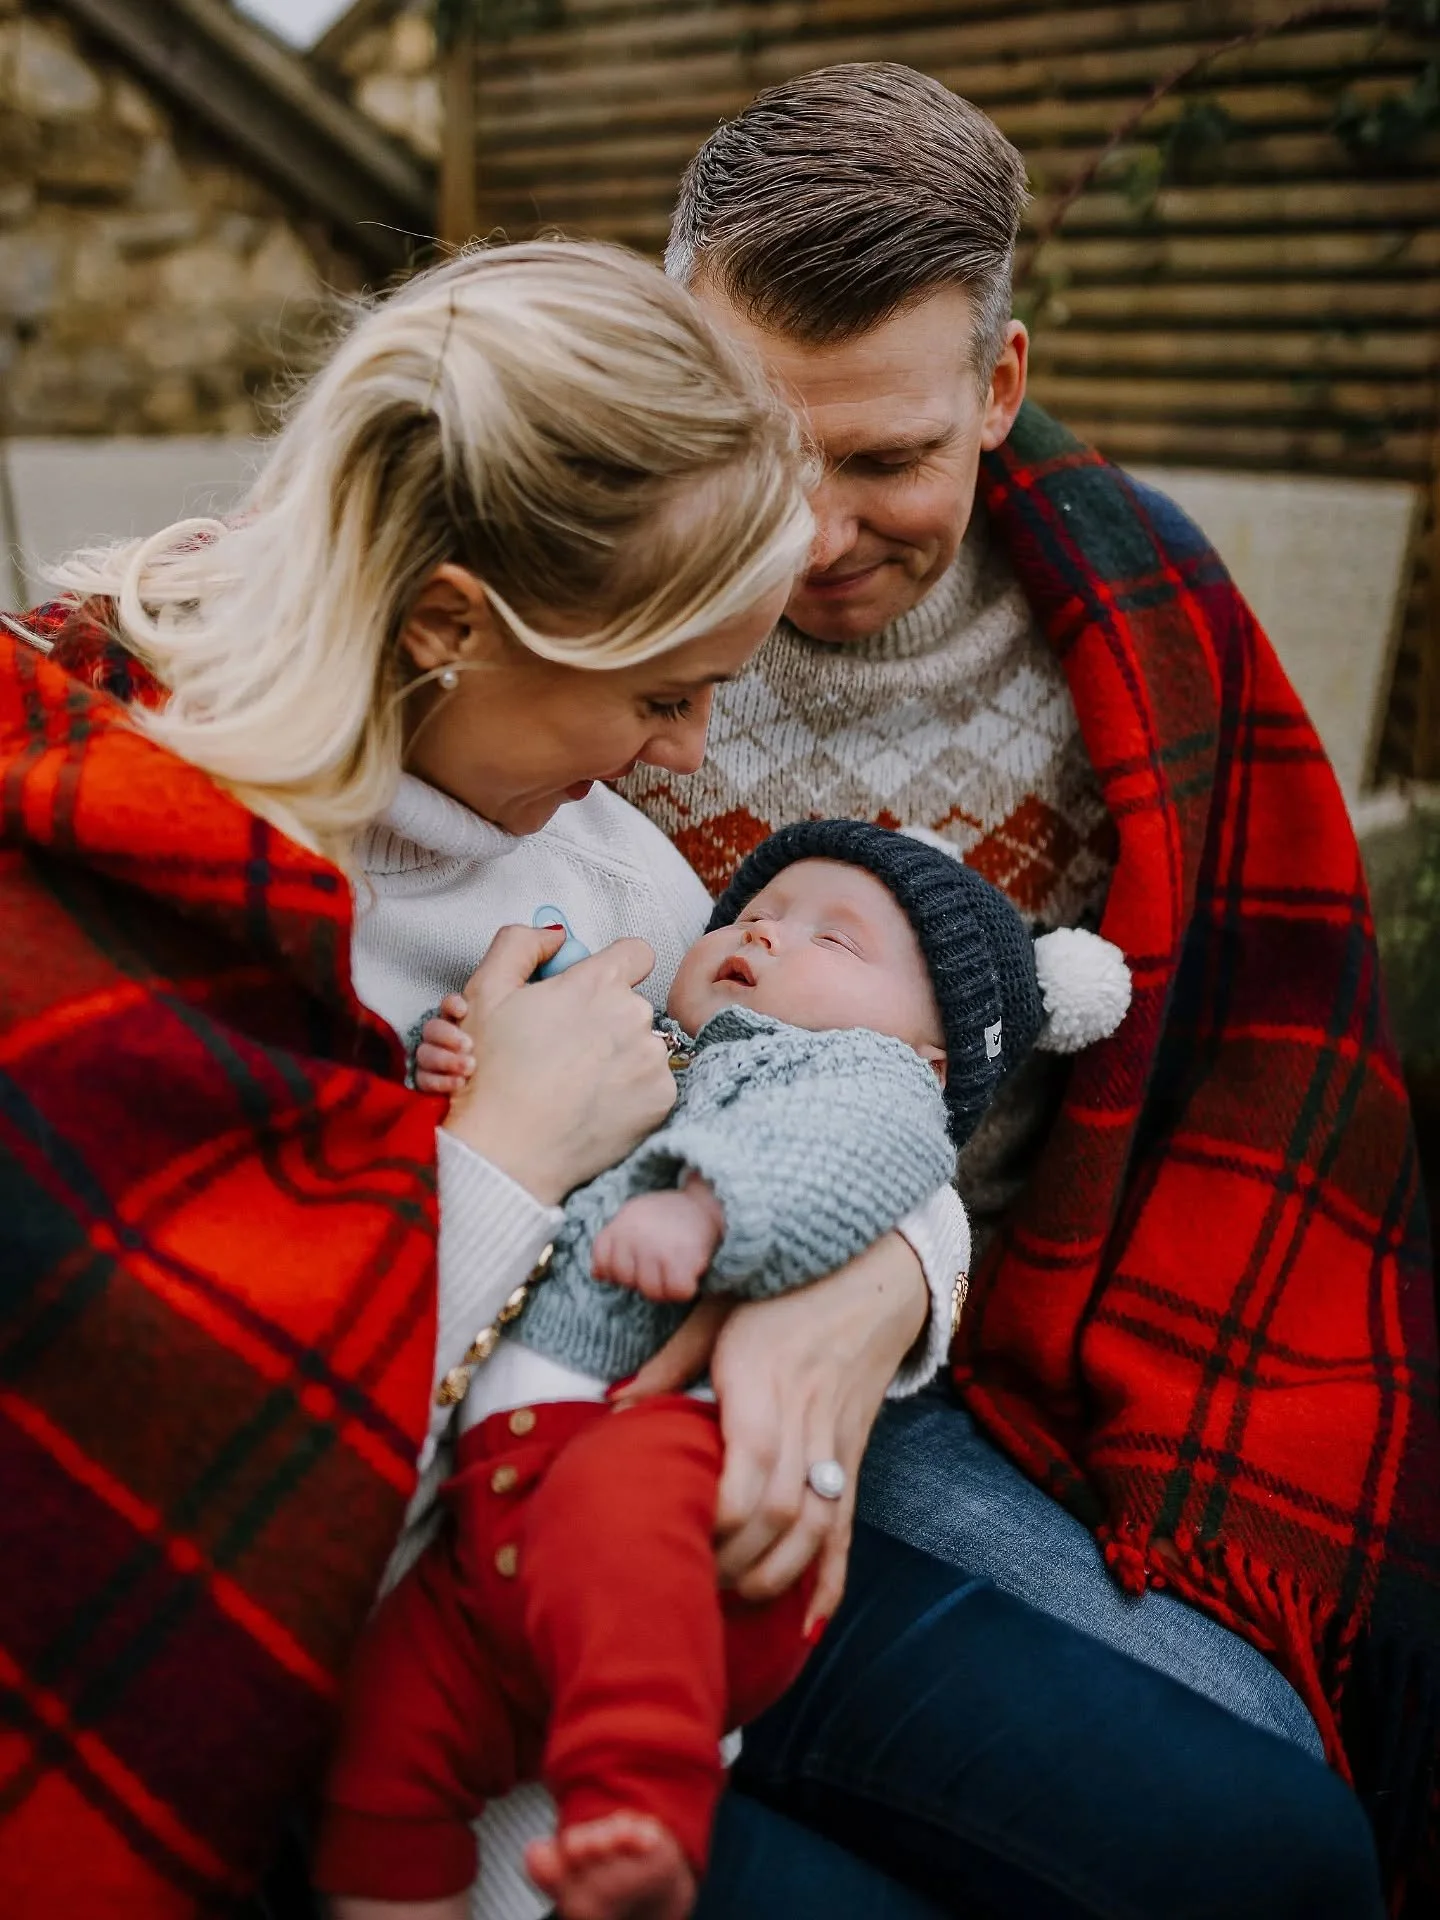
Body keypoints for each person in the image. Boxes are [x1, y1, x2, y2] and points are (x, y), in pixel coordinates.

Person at [0, 239, 962, 1919]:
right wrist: (507, 1152)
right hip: (384, 1736)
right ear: (451, 623)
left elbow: (825, 1078)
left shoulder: (604, 871)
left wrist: (887, 1276)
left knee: (1246, 1842)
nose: (686, 758)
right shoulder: (109, 879)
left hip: (662, 1618)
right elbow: (243, 1510)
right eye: (665, 694)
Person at [595, 59, 1435, 1920]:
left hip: (992, 1352)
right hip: (600, 1318)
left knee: (1271, 1780)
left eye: (885, 458)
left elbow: (1263, 1069)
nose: (811, 536)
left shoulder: (1140, 617)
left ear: (1000, 385)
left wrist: (888, 1280)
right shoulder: (568, 579)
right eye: (758, 441)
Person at [313, 820, 1130, 1920]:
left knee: (625, 1503)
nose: (766, 933)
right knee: (386, 1738)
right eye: (757, 912)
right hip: (488, 1535)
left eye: (835, 942)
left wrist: (710, 1212)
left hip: (671, 1510)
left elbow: (856, 1154)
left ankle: (641, 1810)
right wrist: (458, 1054)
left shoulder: (857, 1077)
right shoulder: (652, 1041)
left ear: (932, 1059)